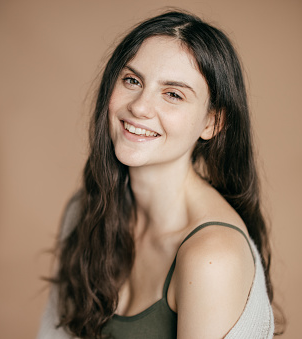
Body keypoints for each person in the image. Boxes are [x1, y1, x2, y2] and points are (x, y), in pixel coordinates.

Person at [37, 10, 277, 339]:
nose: (139, 107)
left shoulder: (212, 257)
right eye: (132, 81)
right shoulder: (86, 210)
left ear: (212, 123)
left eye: (173, 94)